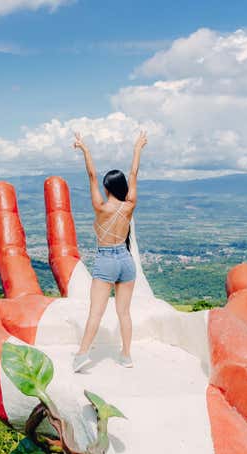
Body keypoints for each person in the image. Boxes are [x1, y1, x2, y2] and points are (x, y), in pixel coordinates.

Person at [72, 130, 147, 372]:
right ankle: (126, 355)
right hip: (126, 261)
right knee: (124, 312)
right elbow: (134, 173)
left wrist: (85, 149)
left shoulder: (101, 208)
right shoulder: (130, 205)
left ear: (107, 188)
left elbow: (91, 175)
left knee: (96, 312)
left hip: (106, 260)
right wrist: (138, 148)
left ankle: (82, 354)